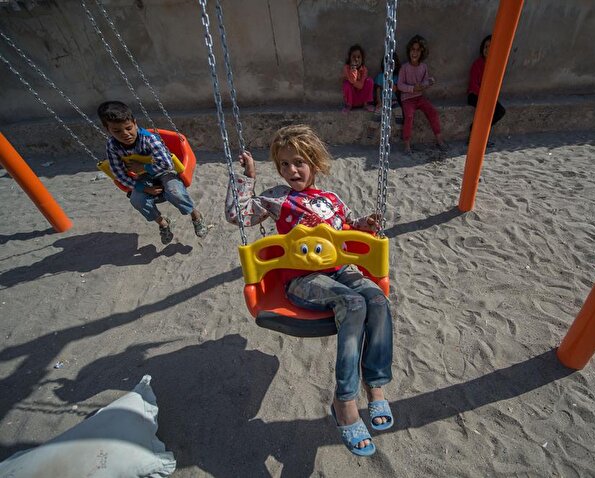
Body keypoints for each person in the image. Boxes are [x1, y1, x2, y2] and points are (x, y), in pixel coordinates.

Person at [224, 124, 394, 457]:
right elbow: (237, 216)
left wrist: (364, 224)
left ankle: (375, 385)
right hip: (303, 280)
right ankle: (345, 401)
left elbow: (348, 224)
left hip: (340, 269)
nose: (292, 170)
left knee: (376, 298)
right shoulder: (277, 198)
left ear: (315, 163)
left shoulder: (331, 199)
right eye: (284, 164)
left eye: (299, 162)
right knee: (354, 304)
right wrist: (247, 178)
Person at [98, 101, 208, 244]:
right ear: (108, 130)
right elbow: (118, 173)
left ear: (135, 123)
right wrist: (143, 188)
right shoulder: (112, 146)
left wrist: (144, 167)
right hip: (143, 178)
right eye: (117, 131)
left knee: (175, 192)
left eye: (129, 128)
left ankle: (196, 215)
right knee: (136, 200)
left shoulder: (149, 139)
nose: (125, 134)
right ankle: (163, 223)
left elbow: (167, 164)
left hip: (164, 172)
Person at [397, 34, 447, 154]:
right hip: (407, 98)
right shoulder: (404, 67)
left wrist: (428, 82)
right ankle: (407, 143)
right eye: (413, 49)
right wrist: (412, 88)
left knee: (432, 112)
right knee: (409, 116)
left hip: (419, 97)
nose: (415, 53)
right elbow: (400, 85)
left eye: (418, 50)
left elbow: (425, 81)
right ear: (409, 51)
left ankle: (439, 138)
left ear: (422, 52)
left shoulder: (423, 67)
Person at [467, 34, 506, 145]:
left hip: (488, 96)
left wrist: (490, 96)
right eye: (485, 46)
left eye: (490, 46)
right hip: (475, 95)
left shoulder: (496, 66)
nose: (487, 49)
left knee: (500, 111)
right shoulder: (477, 64)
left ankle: (480, 134)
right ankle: (474, 135)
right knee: (485, 110)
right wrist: (485, 97)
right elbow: (473, 84)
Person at [341, 44, 375, 113]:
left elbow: (361, 86)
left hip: (361, 98)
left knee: (369, 81)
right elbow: (352, 80)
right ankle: (348, 105)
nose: (356, 59)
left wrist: (354, 82)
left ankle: (366, 104)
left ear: (362, 59)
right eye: (353, 57)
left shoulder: (364, 69)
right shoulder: (346, 68)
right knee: (346, 84)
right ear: (349, 58)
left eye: (359, 57)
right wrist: (353, 68)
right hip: (352, 98)